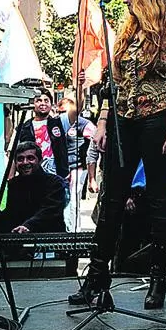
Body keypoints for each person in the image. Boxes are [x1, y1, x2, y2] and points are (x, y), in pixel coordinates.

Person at [68, 0, 166, 311]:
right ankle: (95, 279)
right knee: (111, 201)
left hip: (158, 120)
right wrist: (103, 123)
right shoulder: (128, 33)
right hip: (124, 120)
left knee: (158, 201)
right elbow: (115, 84)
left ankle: (158, 280)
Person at [0, 142, 66, 234]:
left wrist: (28, 226)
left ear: (40, 160)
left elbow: (50, 211)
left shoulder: (55, 183)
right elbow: (12, 213)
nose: (25, 162)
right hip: (21, 237)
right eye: (20, 159)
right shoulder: (14, 183)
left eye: (30, 158)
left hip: (48, 237)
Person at [57, 97, 97, 232]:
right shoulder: (57, 123)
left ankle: (74, 230)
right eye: (60, 111)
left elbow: (97, 138)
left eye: (65, 111)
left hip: (77, 167)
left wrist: (92, 176)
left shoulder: (83, 124)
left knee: (73, 200)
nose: (63, 114)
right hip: (61, 168)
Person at [17, 89, 70, 181]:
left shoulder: (59, 122)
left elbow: (77, 109)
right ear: (33, 104)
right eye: (39, 100)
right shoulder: (24, 127)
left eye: (46, 101)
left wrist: (80, 86)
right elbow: (15, 152)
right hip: (32, 179)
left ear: (51, 104)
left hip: (57, 178)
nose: (43, 104)